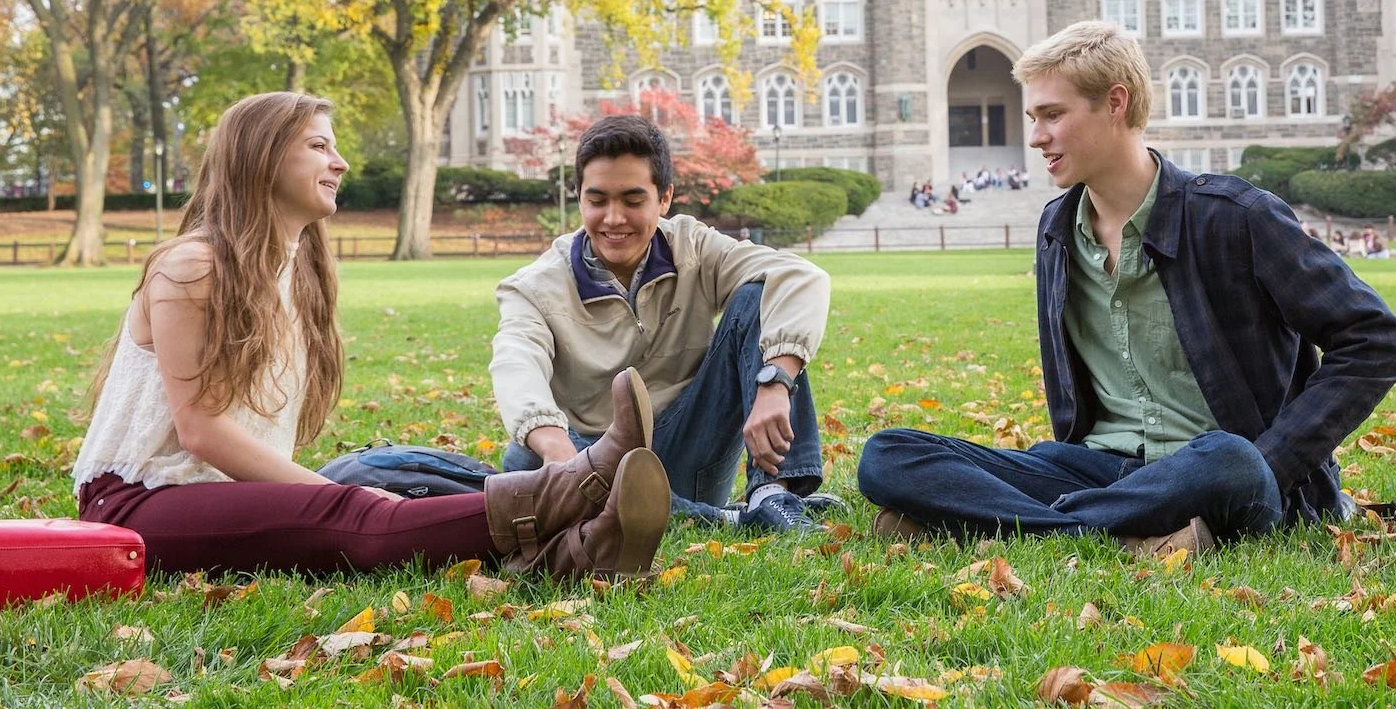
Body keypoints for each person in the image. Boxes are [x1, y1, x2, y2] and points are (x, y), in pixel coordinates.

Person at [858, 21, 1396, 557]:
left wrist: (1276, 461)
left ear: (1116, 103)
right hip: (1102, 468)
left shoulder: (1234, 217)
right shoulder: (1057, 229)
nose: (1035, 137)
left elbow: (1375, 339)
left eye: (1053, 115)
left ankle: (1000, 522)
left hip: (1218, 468)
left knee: (1227, 460)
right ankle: (1122, 530)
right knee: (888, 455)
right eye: (1033, 116)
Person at [73, 92, 670, 578]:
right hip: (134, 504)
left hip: (212, 497)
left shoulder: (294, 274)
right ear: (261, 158)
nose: (341, 163)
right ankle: (578, 484)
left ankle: (579, 553)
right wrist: (335, 498)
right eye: (318, 146)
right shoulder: (191, 265)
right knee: (358, 509)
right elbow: (201, 430)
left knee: (384, 503)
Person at [492, 114, 836, 533]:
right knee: (525, 460)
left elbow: (802, 277)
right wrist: (556, 448)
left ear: (665, 198)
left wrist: (775, 381)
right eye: (597, 200)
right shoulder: (535, 286)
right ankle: (731, 520)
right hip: (598, 466)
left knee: (756, 294)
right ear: (579, 196)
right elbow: (515, 362)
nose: (613, 219)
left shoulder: (693, 247)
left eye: (633, 200)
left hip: (693, 451)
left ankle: (773, 496)